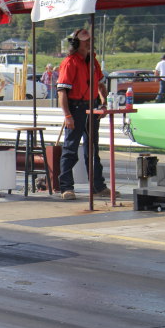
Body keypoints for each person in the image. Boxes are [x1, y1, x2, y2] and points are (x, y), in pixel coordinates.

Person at [57, 28, 114, 200]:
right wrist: (68, 115)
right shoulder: (70, 62)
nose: (89, 43)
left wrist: (103, 103)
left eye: (90, 41)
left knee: (93, 149)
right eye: (85, 41)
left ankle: (98, 186)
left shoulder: (93, 61)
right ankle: (66, 187)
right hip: (76, 108)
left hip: (91, 107)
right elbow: (62, 92)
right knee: (70, 149)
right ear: (76, 43)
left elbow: (101, 85)